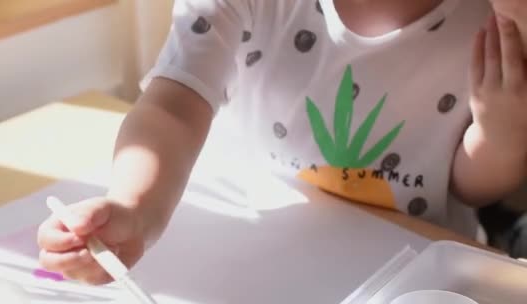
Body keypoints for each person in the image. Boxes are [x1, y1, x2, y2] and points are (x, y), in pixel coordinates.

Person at [37, 0, 527, 285]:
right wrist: (133, 208)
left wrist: (503, 133)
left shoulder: (500, 19)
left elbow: (467, 187)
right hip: (251, 253)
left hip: (413, 275)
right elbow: (174, 104)